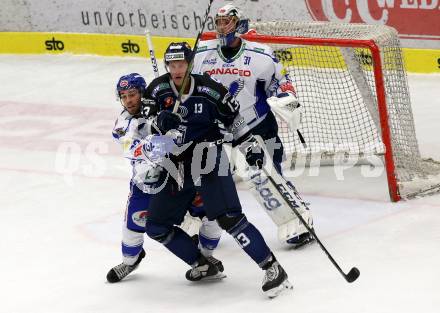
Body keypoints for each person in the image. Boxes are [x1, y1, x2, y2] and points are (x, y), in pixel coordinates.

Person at [139, 42, 292, 298]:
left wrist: (250, 145)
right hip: (176, 164)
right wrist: (158, 123)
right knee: (156, 225)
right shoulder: (157, 89)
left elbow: (236, 121)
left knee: (229, 217)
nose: (176, 70)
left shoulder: (210, 90)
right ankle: (203, 264)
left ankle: (273, 268)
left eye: (181, 64)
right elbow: (143, 126)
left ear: (190, 64)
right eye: (172, 65)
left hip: (209, 157)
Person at [192, 3, 314, 247]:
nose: (222, 26)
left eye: (228, 21)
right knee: (202, 176)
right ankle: (203, 223)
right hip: (217, 129)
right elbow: (185, 79)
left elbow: (281, 82)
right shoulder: (201, 53)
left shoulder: (261, 55)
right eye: (219, 22)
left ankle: (298, 221)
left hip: (255, 126)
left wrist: (284, 98)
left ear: (240, 24)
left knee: (265, 176)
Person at [106, 73, 224, 283]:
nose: (128, 100)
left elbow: (187, 135)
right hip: (146, 183)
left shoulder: (165, 107)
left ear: (143, 93)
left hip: (178, 178)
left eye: (132, 94)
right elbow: (128, 146)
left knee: (211, 213)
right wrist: (152, 142)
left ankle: (206, 258)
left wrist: (174, 129)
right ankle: (131, 261)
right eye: (123, 96)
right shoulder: (123, 121)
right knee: (132, 227)